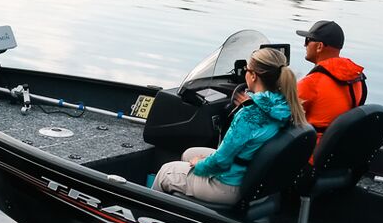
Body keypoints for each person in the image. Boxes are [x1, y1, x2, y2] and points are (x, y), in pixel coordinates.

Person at [152, 46, 307, 204]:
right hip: (252, 178)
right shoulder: (284, 106)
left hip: (228, 186)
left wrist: (199, 165)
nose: (245, 73)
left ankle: (148, 216)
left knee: (167, 171)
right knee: (190, 153)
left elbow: (221, 161)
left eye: (247, 69)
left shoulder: (249, 115)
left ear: (253, 76)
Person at [293, 20, 368, 135]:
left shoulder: (311, 83)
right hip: (340, 146)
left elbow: (283, 116)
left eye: (307, 40)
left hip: (312, 150)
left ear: (319, 46)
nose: (304, 45)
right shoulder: (358, 78)